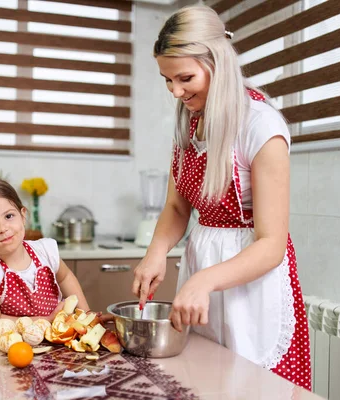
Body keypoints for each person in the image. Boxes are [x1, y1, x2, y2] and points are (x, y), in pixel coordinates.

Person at [131, 5, 311, 391]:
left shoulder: (260, 126)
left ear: (218, 62)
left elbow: (272, 245)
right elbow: (178, 207)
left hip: (251, 286)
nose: (176, 92)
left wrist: (206, 281)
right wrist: (156, 251)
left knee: (252, 389)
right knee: (204, 384)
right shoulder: (190, 121)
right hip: (203, 271)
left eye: (185, 78)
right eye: (167, 80)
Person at [0, 178, 89, 324]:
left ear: (23, 216)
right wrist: (45, 320)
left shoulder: (45, 251)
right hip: (11, 343)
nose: (3, 228)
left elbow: (65, 277)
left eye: (9, 216)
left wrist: (86, 316)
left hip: (56, 339)